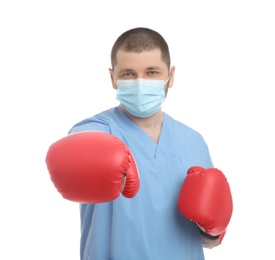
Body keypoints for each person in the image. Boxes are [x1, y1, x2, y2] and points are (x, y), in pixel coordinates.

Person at [46, 27, 233, 260]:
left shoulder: (194, 141)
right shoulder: (96, 131)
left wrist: (213, 229)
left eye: (152, 72)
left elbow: (208, 238)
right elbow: (72, 152)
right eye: (128, 74)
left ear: (171, 76)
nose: (140, 83)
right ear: (112, 78)